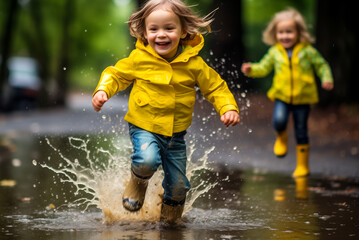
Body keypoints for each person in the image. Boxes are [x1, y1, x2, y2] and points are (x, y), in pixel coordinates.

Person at [92, 0, 240, 223]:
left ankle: (171, 224)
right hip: (144, 127)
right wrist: (103, 90)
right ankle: (137, 184)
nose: (161, 35)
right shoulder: (139, 59)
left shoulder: (194, 64)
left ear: (183, 32)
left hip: (176, 136)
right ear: (144, 32)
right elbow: (115, 75)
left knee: (179, 185)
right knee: (146, 160)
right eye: (154, 29)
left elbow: (216, 87)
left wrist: (227, 107)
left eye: (169, 28)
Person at [241, 8, 333, 178]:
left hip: (303, 98)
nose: (285, 36)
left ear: (299, 32)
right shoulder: (274, 52)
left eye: (289, 32)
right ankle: (281, 137)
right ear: (275, 34)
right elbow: (263, 67)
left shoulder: (307, 51)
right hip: (282, 96)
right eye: (281, 32)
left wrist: (326, 78)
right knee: (279, 120)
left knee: (301, 130)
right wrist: (251, 69)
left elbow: (322, 65)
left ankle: (302, 166)